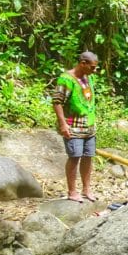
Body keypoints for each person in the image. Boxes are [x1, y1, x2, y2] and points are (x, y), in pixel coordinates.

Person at [53, 51, 99, 203]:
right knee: (74, 157)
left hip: (89, 126)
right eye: (92, 67)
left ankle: (86, 189)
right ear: (82, 63)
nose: (94, 70)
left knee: (88, 156)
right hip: (73, 127)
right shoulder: (66, 79)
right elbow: (57, 102)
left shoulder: (87, 77)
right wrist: (62, 124)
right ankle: (72, 191)